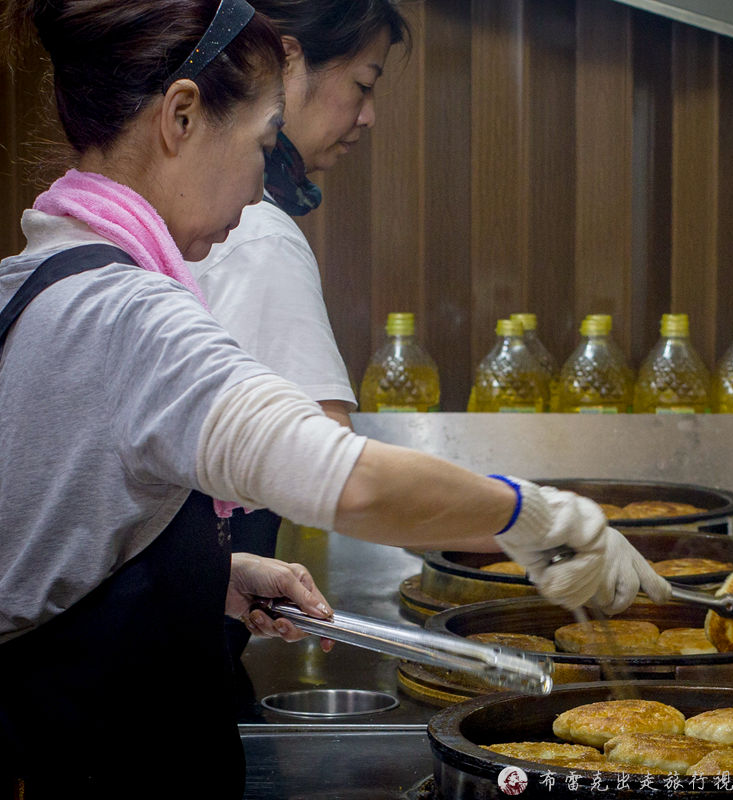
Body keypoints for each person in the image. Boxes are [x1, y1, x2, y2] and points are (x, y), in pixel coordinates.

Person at [0, 1, 670, 795]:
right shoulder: (136, 317)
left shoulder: (29, 283)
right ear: (181, 116)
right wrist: (538, 517)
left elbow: (41, 538)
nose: (258, 190)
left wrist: (207, 573)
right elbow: (348, 481)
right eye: (259, 143)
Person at [185, 0, 409, 687]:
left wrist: (224, 571)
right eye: (364, 84)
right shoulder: (257, 231)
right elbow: (336, 472)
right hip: (162, 680)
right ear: (284, 62)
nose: (368, 115)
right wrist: (532, 523)